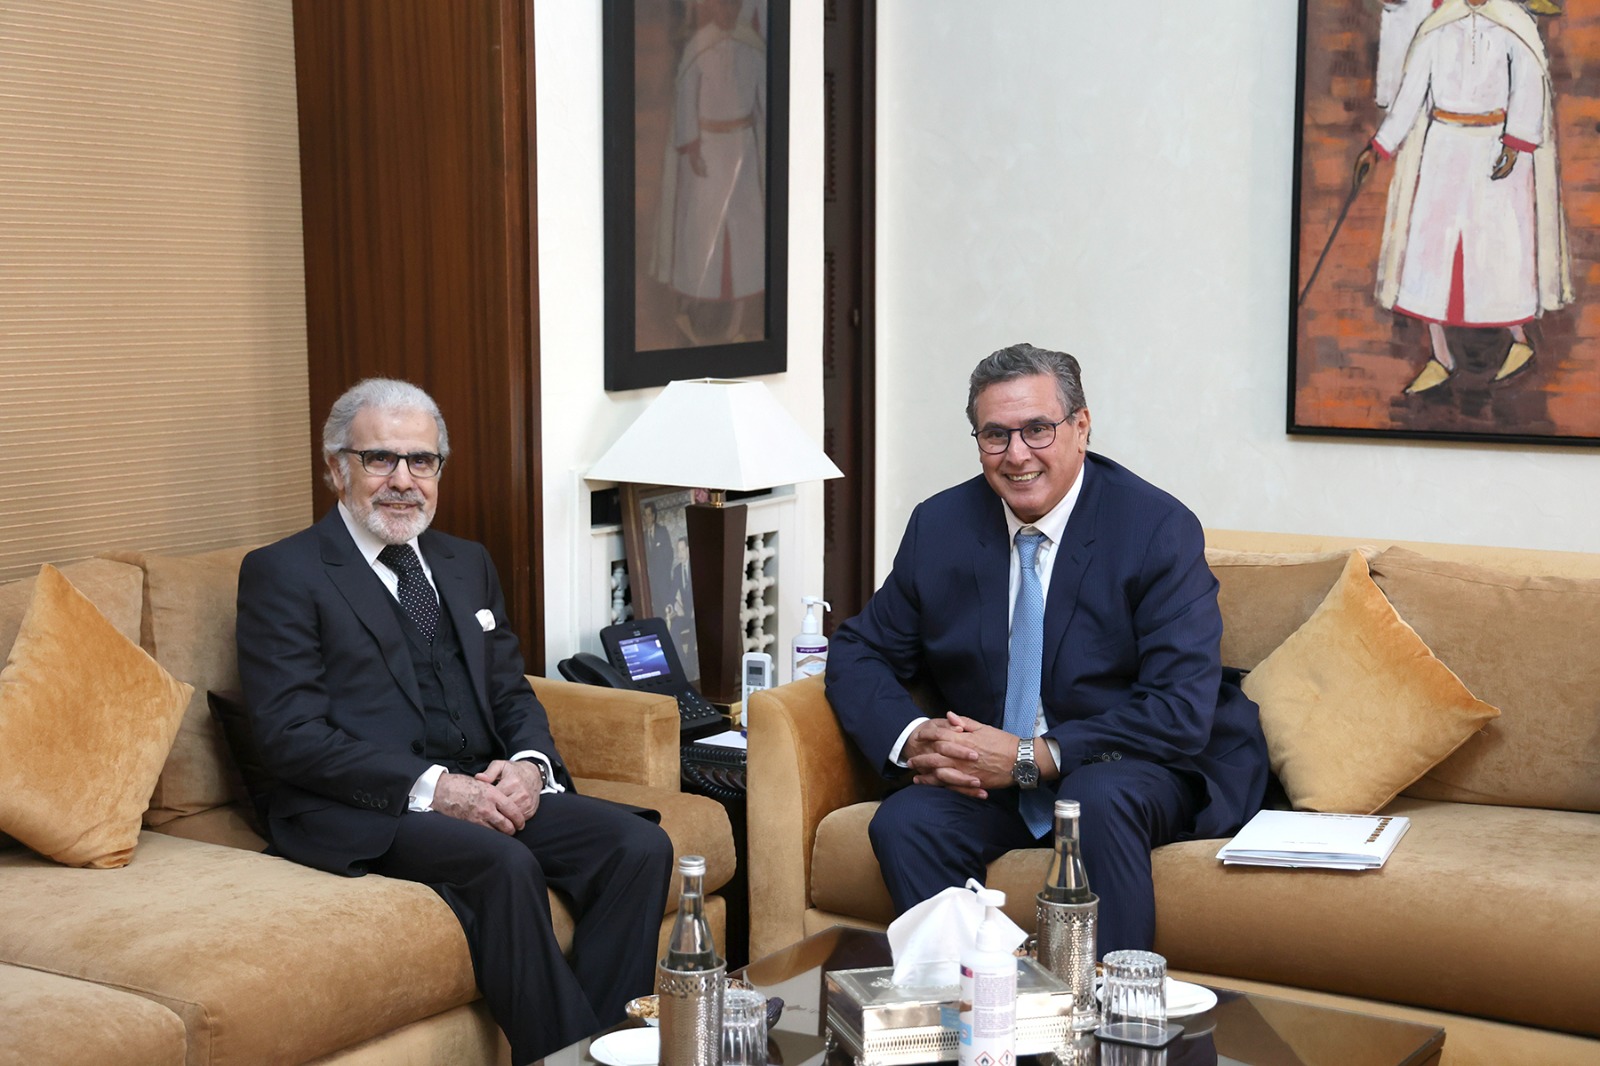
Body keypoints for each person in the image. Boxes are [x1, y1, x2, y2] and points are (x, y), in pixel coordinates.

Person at [236, 379, 673, 1064]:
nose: (402, 480)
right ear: (336, 469)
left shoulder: (464, 561)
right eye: (380, 459)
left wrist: (530, 766)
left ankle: (604, 1050)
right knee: (504, 864)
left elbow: (510, 691)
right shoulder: (284, 572)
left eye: (422, 460)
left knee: (637, 847)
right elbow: (290, 736)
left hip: (481, 784)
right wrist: (435, 789)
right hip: (368, 805)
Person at [825, 344, 1269, 955]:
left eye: (1038, 429)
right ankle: (983, 998)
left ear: (1081, 426)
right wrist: (915, 739)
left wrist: (1031, 757)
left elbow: (1178, 710)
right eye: (995, 435)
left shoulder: (1154, 529)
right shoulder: (941, 526)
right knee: (907, 821)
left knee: (1092, 801)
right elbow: (859, 650)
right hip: (996, 779)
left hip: (1132, 763)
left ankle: (1104, 1003)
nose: (1017, 455)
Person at [1355, 0, 1571, 394]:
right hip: (1443, 148)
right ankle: (1440, 357)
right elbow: (1411, 95)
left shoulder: (1512, 24)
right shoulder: (1436, 28)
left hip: (1495, 151)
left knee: (1499, 251)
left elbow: (1528, 85)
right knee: (1431, 252)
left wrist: (1516, 143)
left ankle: (1519, 343)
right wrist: (1378, 146)